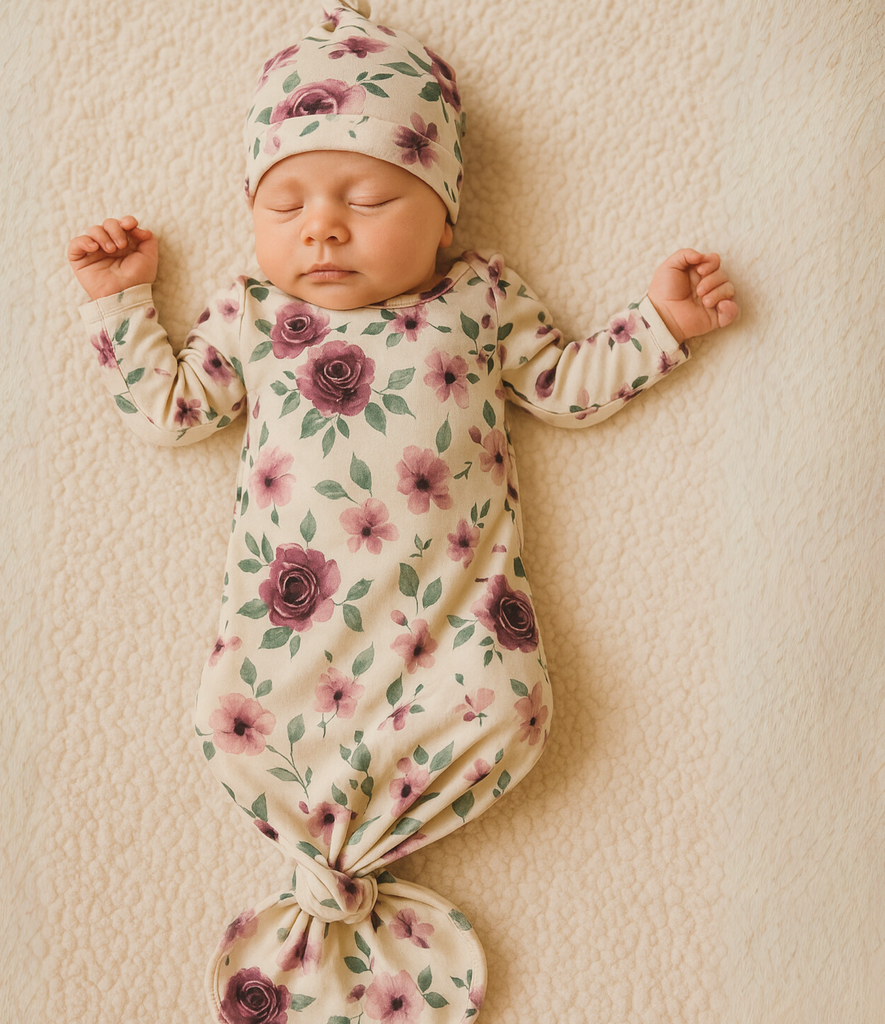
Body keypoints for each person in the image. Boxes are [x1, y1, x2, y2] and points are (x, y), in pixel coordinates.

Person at [67, 2, 737, 1020]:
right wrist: (121, 303)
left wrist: (659, 322)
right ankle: (326, 873)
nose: (322, 225)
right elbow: (173, 412)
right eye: (284, 202)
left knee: (506, 703)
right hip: (290, 625)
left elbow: (562, 384)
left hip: (450, 609)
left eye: (368, 197)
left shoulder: (475, 296)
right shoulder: (254, 309)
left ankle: (370, 863)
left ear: (445, 214)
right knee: (235, 717)